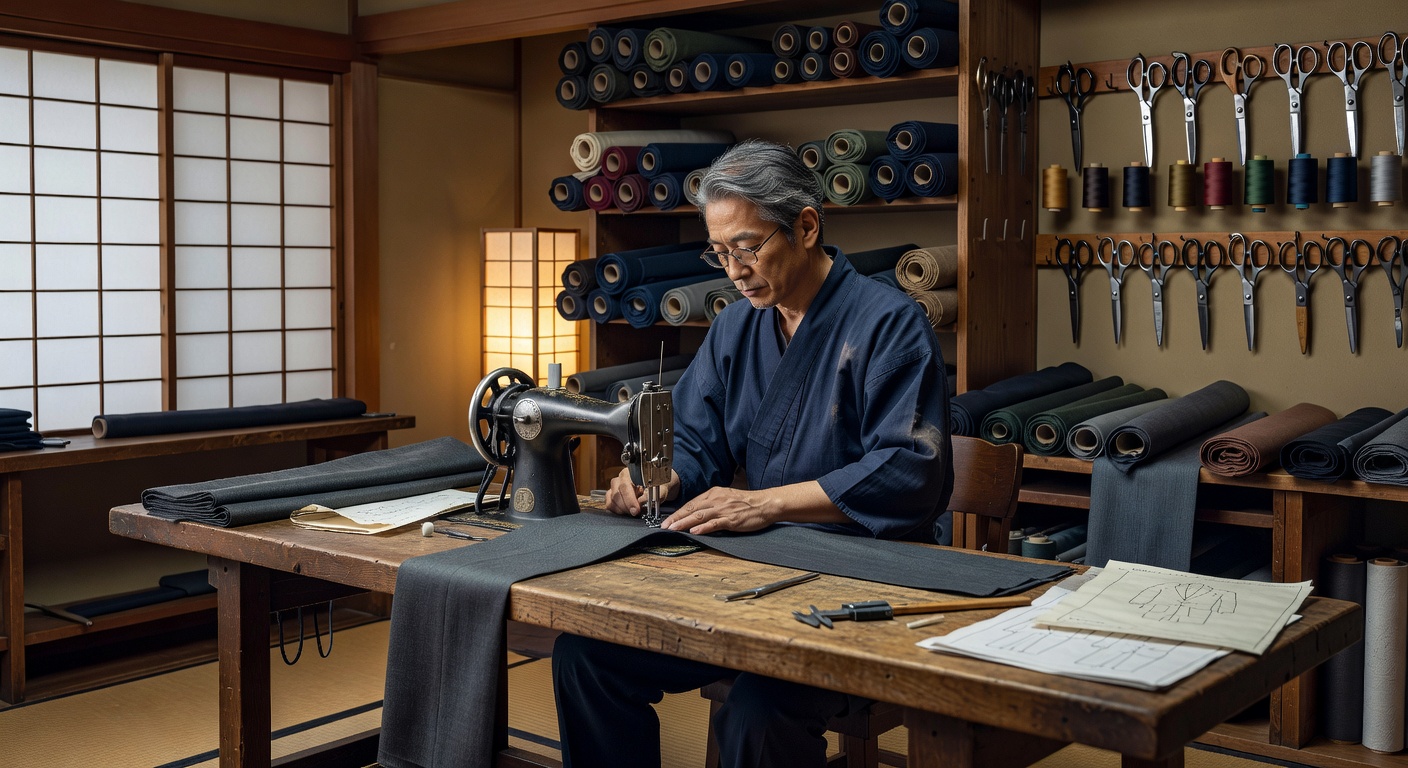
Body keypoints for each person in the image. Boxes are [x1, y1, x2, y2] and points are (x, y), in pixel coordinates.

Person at [552, 139, 953, 768]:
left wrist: (765, 504)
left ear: (807, 226)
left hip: (864, 575)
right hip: (754, 568)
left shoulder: (889, 322)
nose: (734, 270)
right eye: (720, 252)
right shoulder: (737, 325)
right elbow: (694, 437)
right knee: (586, 654)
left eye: (747, 247)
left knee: (758, 710)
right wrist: (655, 478)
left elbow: (909, 470)